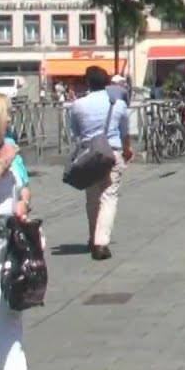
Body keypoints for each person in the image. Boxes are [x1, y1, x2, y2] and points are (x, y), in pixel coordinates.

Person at [0, 93, 32, 370]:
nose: (11, 119)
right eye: (6, 114)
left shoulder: (8, 147)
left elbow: (24, 185)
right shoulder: (1, 156)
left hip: (4, 249)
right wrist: (1, 163)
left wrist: (23, 202)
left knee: (7, 320)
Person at [67, 66, 132, 261]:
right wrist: (127, 150)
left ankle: (92, 237)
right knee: (109, 196)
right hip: (112, 152)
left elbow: (76, 133)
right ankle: (101, 242)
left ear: (87, 82)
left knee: (92, 197)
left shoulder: (77, 105)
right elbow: (124, 132)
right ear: (107, 83)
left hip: (89, 154)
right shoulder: (118, 104)